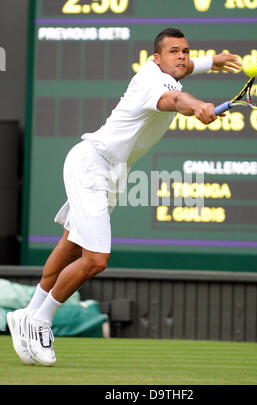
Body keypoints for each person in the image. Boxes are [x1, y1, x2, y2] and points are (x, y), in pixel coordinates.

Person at [7, 28, 241, 366]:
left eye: (186, 51)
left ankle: (27, 313)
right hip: (91, 164)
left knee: (72, 246)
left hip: (112, 171)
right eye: (173, 51)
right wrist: (200, 105)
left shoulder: (169, 69)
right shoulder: (153, 84)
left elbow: (184, 70)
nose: (182, 57)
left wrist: (211, 62)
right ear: (155, 58)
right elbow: (176, 101)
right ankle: (41, 320)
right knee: (96, 259)